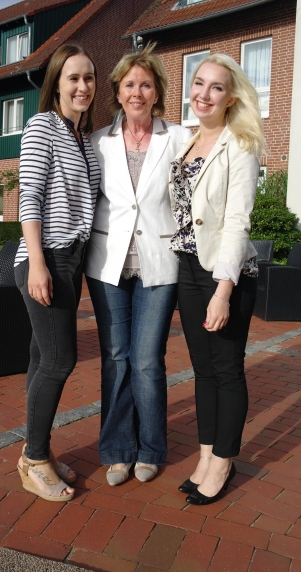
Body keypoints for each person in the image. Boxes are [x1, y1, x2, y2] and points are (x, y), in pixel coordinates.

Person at [85, 44, 192, 486]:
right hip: (107, 264)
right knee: (115, 357)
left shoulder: (179, 138)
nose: (137, 92)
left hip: (158, 263)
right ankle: (117, 450)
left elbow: (190, 201)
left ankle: (150, 448)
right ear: (117, 91)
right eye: (129, 84)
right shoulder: (98, 142)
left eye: (145, 84)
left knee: (147, 360)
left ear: (157, 91)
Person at [172, 53, 265, 506]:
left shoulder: (241, 144)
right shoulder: (186, 142)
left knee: (227, 370)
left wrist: (223, 291)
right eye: (199, 83)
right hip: (187, 269)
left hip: (225, 274)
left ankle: (224, 461)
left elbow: (237, 222)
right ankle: (206, 454)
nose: (204, 94)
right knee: (203, 368)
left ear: (231, 98)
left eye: (216, 87)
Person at [14, 44, 100, 502]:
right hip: (45, 258)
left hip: (72, 261)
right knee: (60, 361)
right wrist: (38, 264)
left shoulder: (83, 138)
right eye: (74, 78)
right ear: (56, 83)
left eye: (89, 77)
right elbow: (28, 196)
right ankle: (33, 459)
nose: (83, 86)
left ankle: (38, 452)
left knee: (40, 358)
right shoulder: (42, 126)